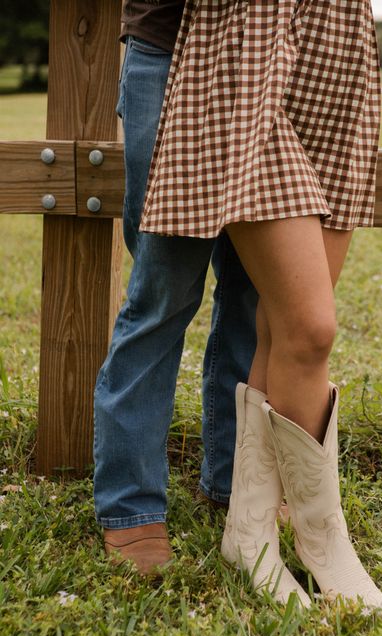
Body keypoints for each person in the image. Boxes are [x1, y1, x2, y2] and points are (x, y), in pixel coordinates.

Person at [137, 0, 382, 618]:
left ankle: (249, 533)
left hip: (339, 41)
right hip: (243, 36)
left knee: (280, 325)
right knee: (311, 328)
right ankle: (323, 540)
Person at [93, 1, 258, 574]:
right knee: (163, 288)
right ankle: (130, 501)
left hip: (269, 57)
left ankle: (236, 483)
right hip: (170, 46)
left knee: (253, 291)